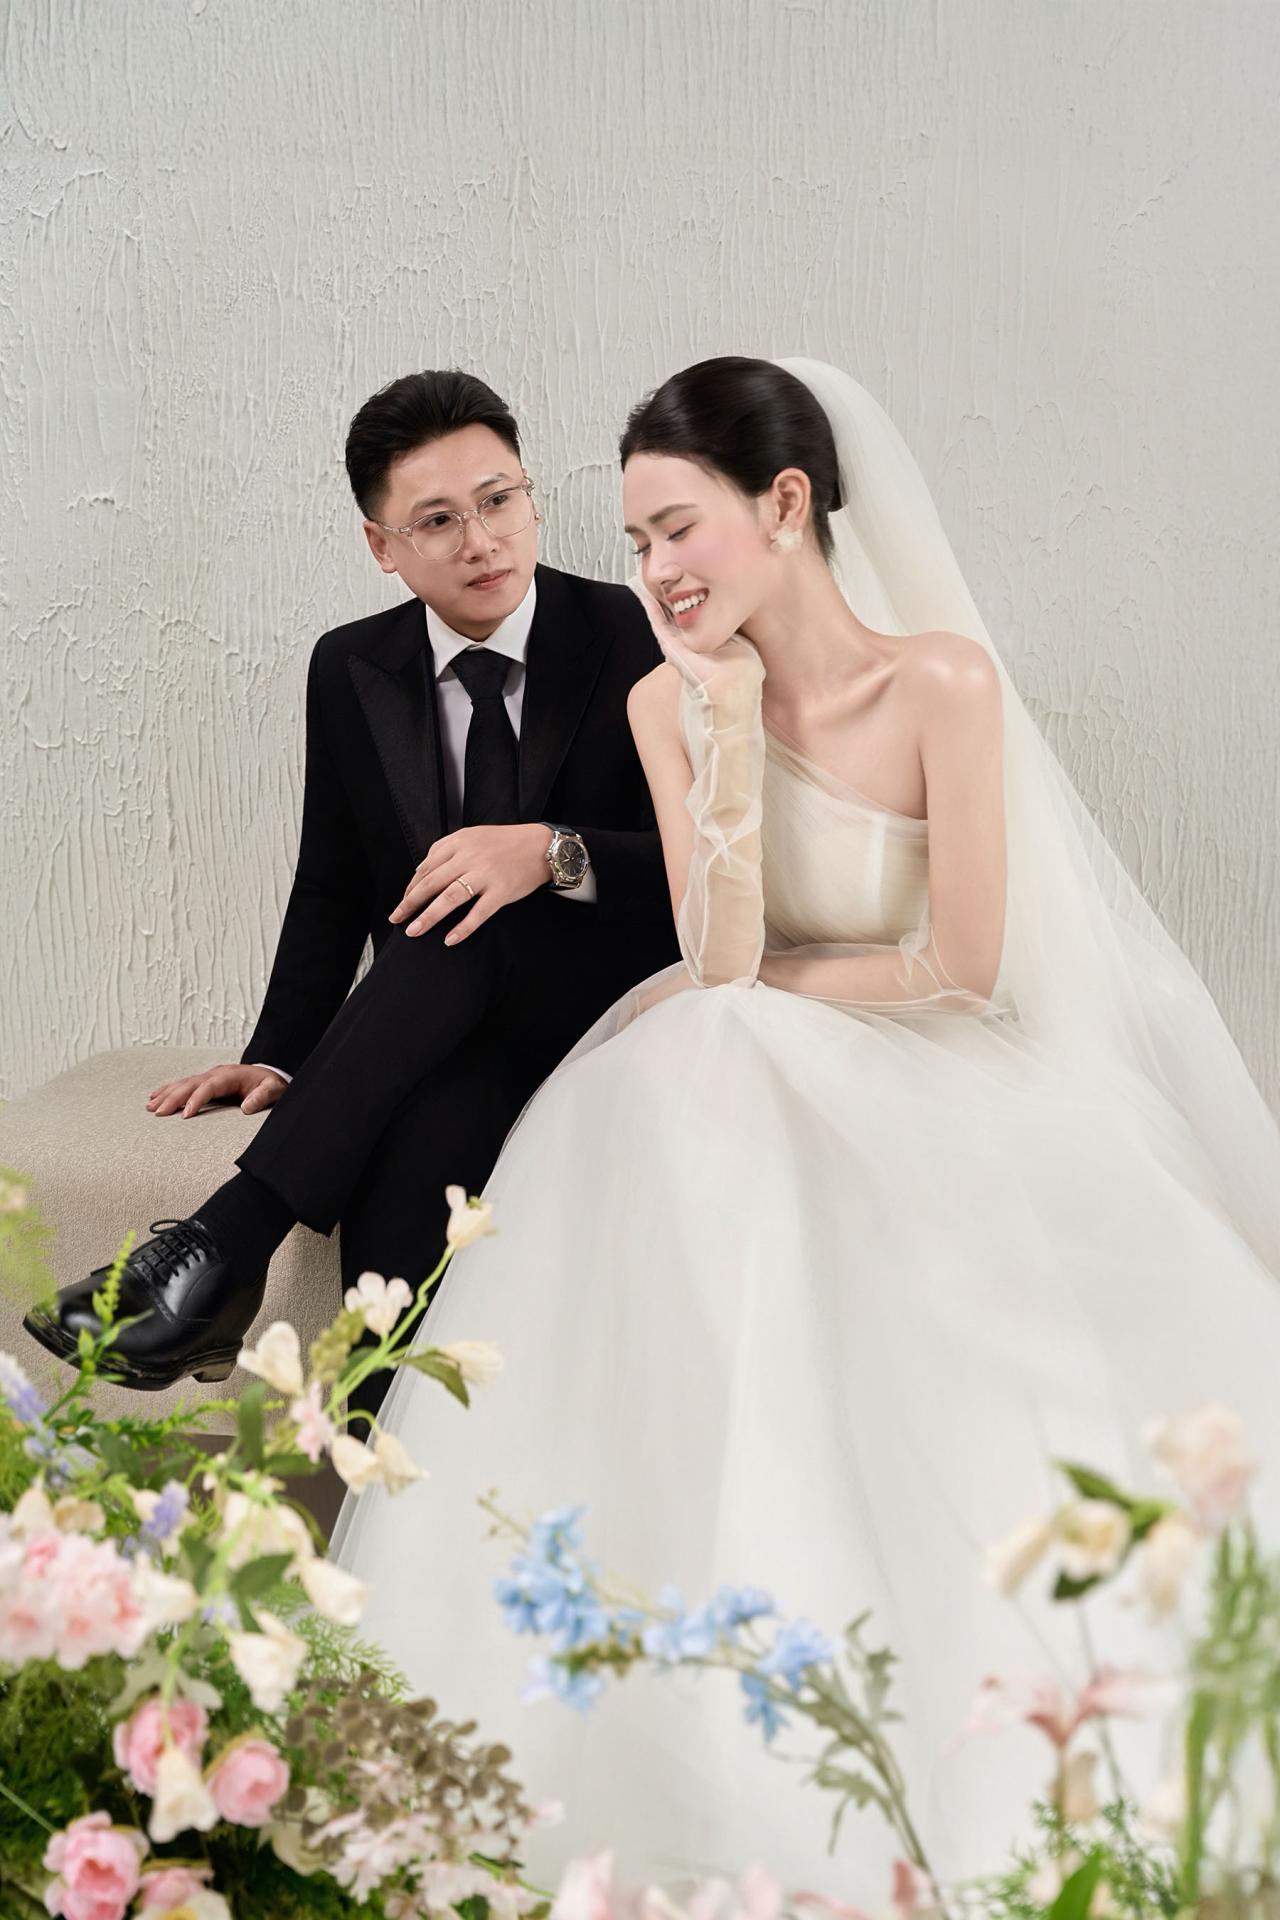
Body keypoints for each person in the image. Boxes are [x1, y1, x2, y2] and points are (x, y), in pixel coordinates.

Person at [333, 356, 1280, 1893]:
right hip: (743, 1035)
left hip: (940, 1054)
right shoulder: (667, 699)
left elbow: (965, 962)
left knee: (750, 1062)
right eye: (637, 541)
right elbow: (716, 958)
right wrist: (716, 730)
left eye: (679, 528)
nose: (655, 570)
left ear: (785, 504)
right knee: (698, 1070)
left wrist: (773, 986)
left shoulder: (940, 684)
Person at [24, 370, 678, 1391]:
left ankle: (222, 1246)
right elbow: (330, 884)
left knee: (478, 902)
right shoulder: (349, 666)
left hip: (604, 1004)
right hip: (443, 1027)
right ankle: (376, 1448)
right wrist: (279, 1055)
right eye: (439, 520)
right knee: (417, 1132)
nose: (482, 541)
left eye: (500, 499)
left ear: (532, 496)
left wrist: (549, 851)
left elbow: (696, 865)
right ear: (382, 545)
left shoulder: (632, 634)